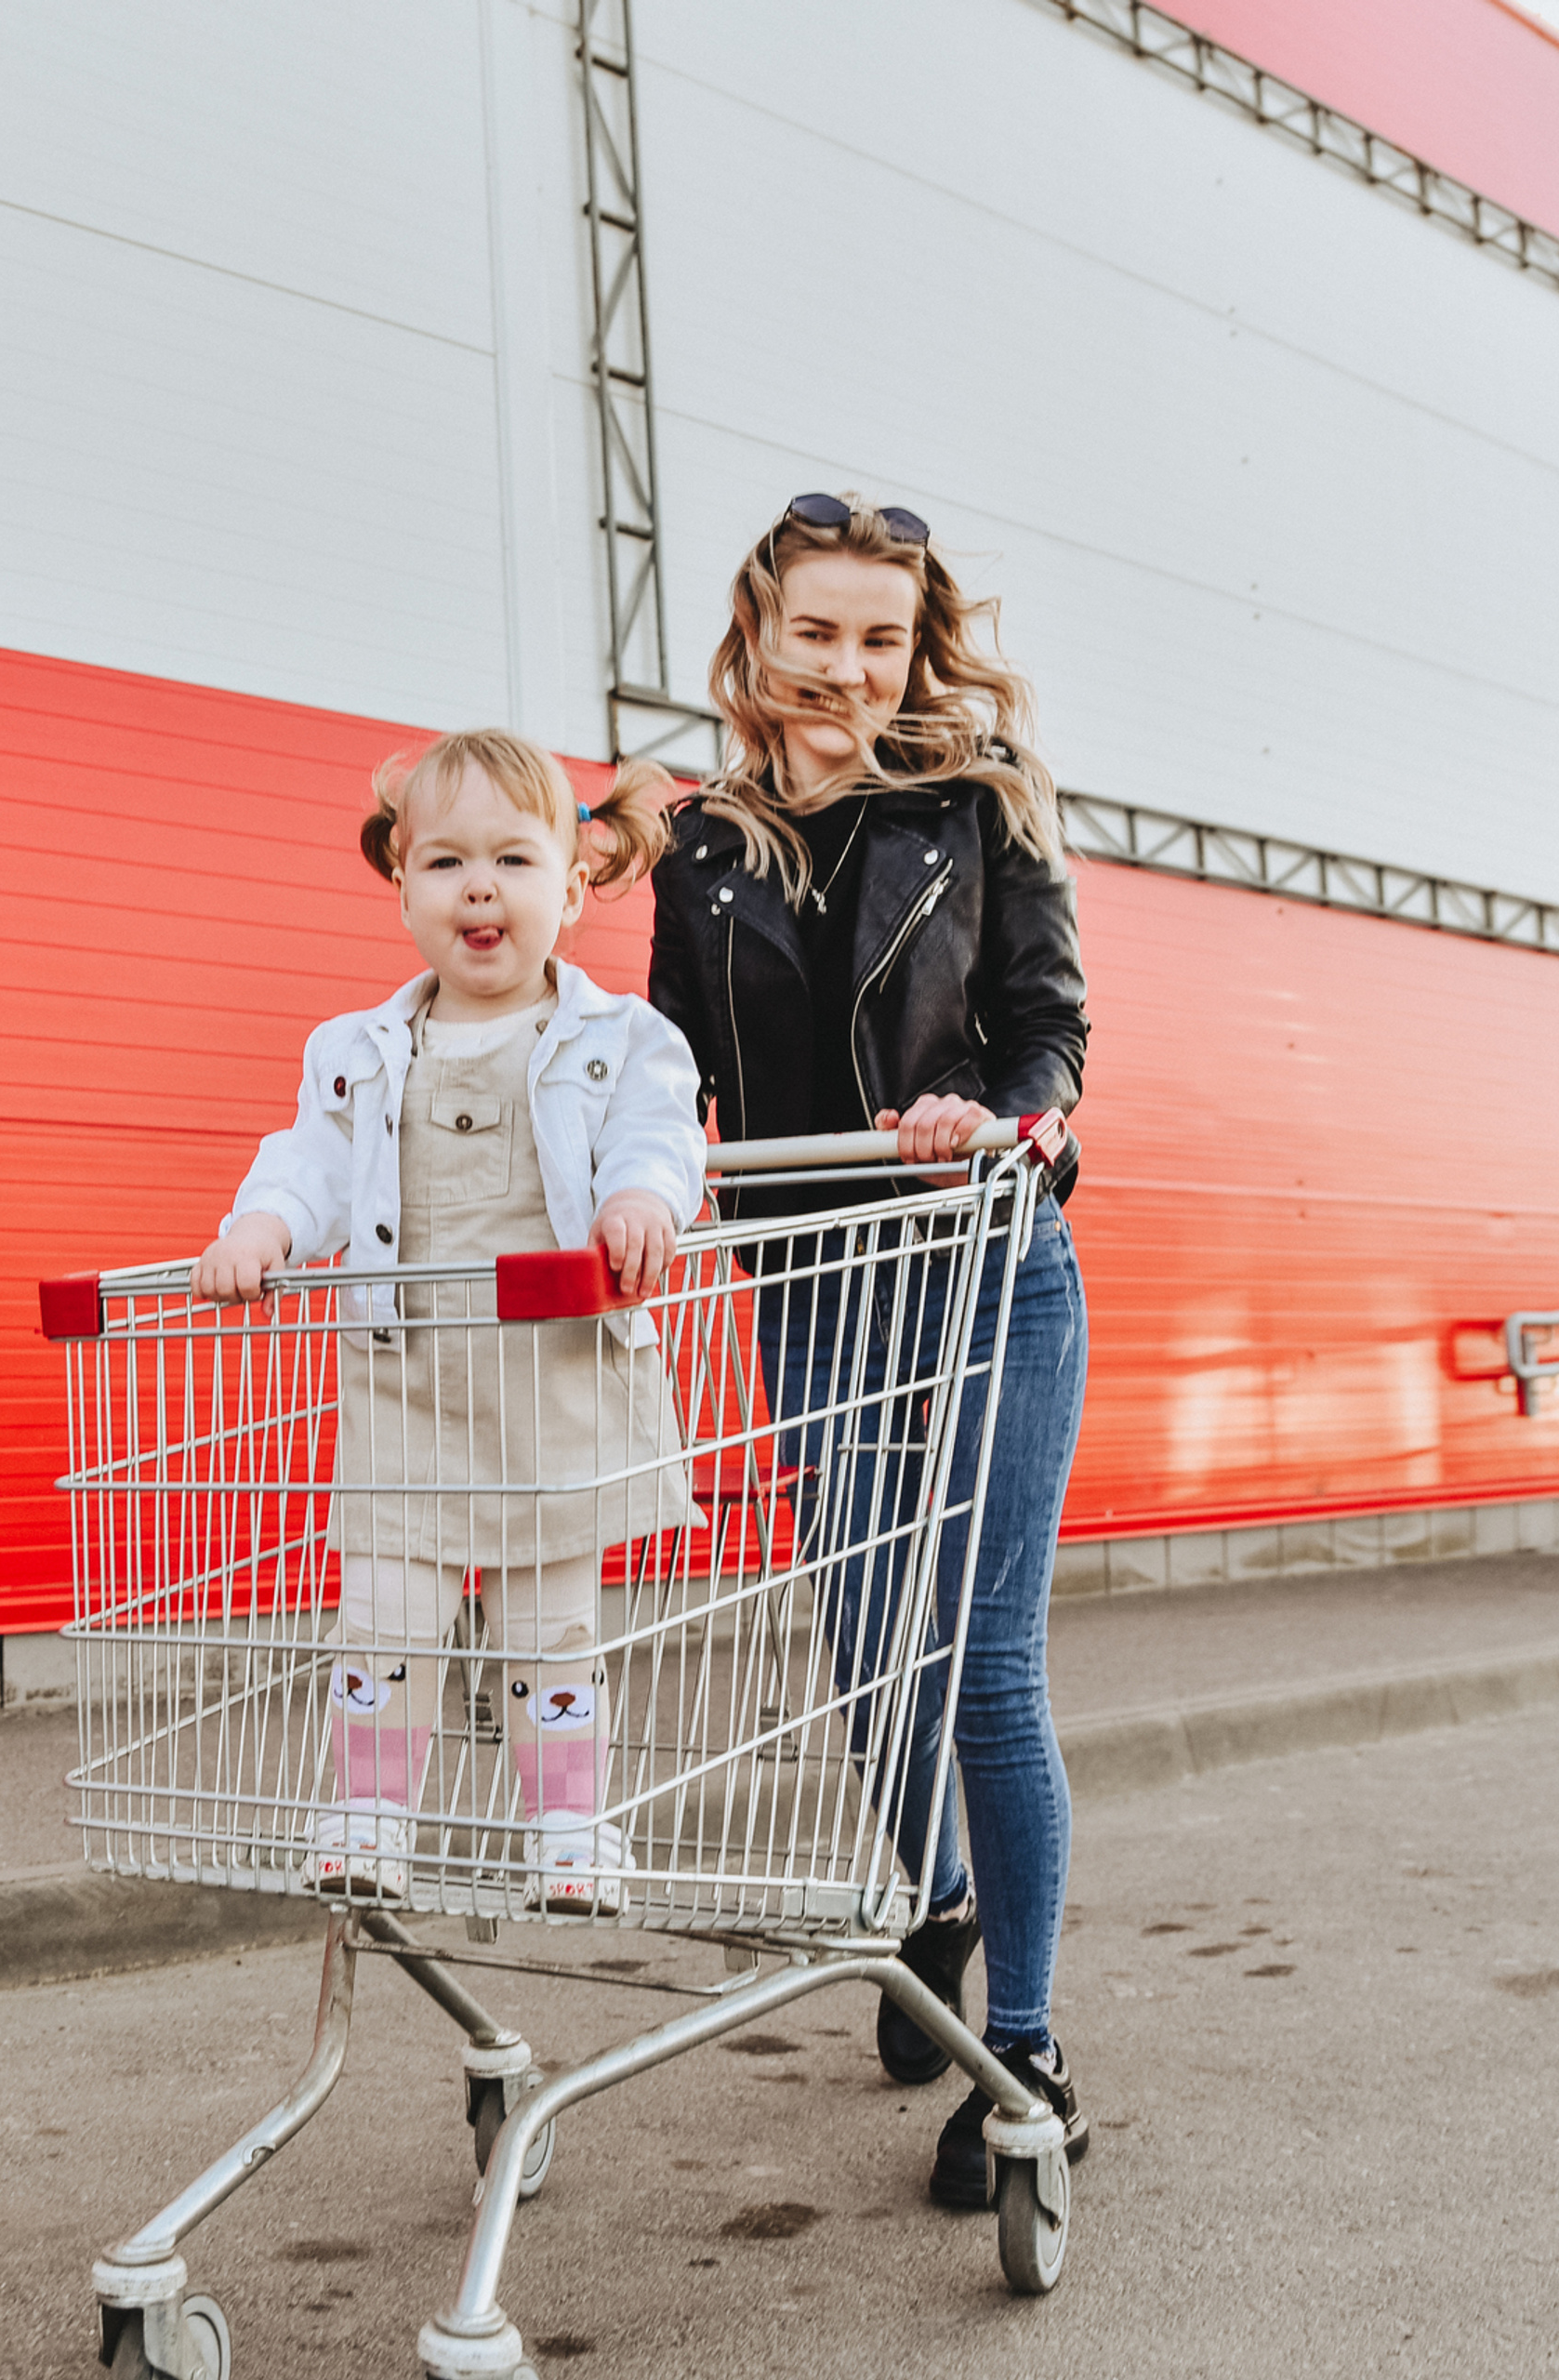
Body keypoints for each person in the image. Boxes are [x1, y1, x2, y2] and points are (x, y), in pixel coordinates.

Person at [646, 493, 1092, 2206]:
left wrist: (1003, 1115)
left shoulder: (981, 807)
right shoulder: (702, 844)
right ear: (760, 632)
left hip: (983, 1262)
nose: (846, 666)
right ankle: (940, 1895)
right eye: (815, 631)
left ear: (920, 651)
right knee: (865, 1654)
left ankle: (1029, 2055)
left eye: (881, 637)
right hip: (815, 1283)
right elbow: (671, 1063)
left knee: (984, 1659)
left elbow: (1049, 1030)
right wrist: (640, 1148)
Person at [193, 730, 705, 1916]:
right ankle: (369, 1816)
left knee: (548, 1632)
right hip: (408, 1381)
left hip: (555, 1378)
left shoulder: (616, 1037)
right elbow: (310, 1160)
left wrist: (641, 1197)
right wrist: (263, 1229)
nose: (480, 886)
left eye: (514, 860)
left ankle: (568, 1828)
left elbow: (659, 1132)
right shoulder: (359, 1051)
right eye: (445, 862)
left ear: (573, 889)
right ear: (403, 884)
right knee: (384, 1619)